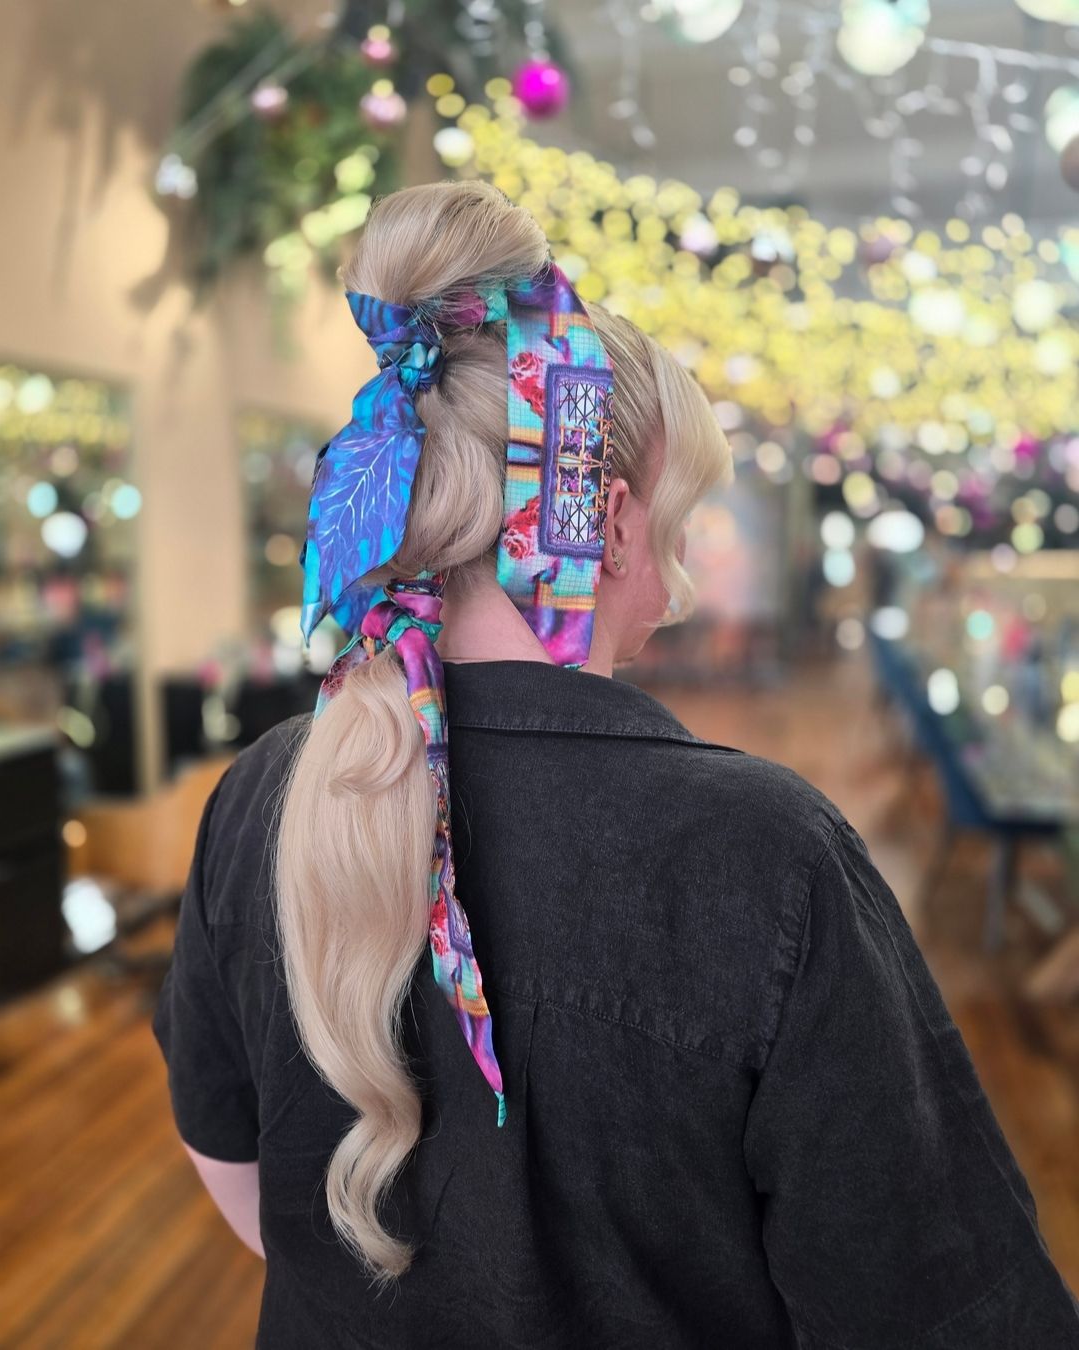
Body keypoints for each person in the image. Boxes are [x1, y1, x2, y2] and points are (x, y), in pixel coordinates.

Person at [152, 180, 1079, 1349]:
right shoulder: (766, 857)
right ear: (611, 523)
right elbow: (946, 1312)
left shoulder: (262, 791)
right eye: (679, 530)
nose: (682, 586)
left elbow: (232, 1163)